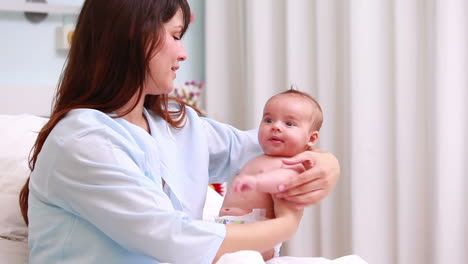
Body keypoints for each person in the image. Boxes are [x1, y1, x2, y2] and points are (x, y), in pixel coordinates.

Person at [18, 0, 340, 263]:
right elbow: (173, 238)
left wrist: (326, 164)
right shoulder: (82, 140)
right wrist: (286, 225)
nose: (183, 53)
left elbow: (259, 145)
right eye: (175, 36)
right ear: (135, 34)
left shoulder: (175, 123)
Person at [218, 90, 323, 261]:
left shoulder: (292, 164)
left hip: (256, 237)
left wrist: (257, 183)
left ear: (311, 138)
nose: (275, 126)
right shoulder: (260, 158)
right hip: (228, 229)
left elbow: (282, 183)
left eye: (289, 123)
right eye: (268, 120)